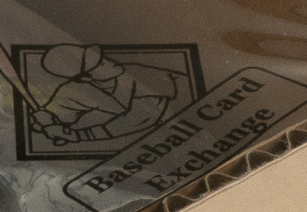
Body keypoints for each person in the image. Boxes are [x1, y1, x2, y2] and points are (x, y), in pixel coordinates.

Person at [30, 45, 193, 148]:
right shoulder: (76, 90)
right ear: (86, 78)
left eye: (103, 59)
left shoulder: (137, 75)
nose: (110, 62)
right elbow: (52, 113)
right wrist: (46, 123)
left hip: (188, 129)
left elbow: (142, 117)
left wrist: (78, 135)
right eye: (101, 64)